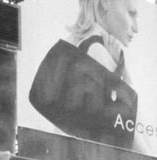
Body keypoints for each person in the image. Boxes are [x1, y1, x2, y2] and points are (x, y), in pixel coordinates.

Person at [25, 0, 139, 149]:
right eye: (131, 14)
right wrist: (125, 76)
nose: (136, 28)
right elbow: (131, 135)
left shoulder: (75, 44)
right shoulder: (98, 52)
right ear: (104, 3)